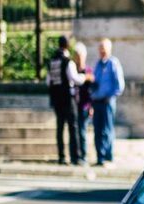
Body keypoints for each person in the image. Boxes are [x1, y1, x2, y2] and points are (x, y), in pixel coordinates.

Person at [46, 35, 88, 165]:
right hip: (68, 99)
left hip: (56, 99)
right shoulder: (67, 62)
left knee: (60, 128)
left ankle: (61, 156)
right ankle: (75, 157)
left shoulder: (52, 61)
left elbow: (48, 81)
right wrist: (85, 77)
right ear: (67, 46)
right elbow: (75, 79)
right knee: (73, 127)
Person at [91, 38, 125, 166]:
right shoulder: (98, 64)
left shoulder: (113, 63)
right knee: (97, 130)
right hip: (97, 101)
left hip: (107, 102)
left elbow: (119, 85)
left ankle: (108, 156)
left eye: (104, 49)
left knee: (107, 130)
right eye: (100, 49)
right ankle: (100, 157)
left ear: (109, 49)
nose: (102, 51)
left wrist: (110, 96)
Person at [73, 42, 94, 166]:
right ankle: (76, 156)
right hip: (75, 106)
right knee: (75, 131)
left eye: (80, 56)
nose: (78, 58)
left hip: (85, 106)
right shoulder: (73, 70)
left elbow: (91, 91)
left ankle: (84, 156)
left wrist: (91, 106)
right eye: (76, 56)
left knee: (82, 131)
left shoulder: (89, 71)